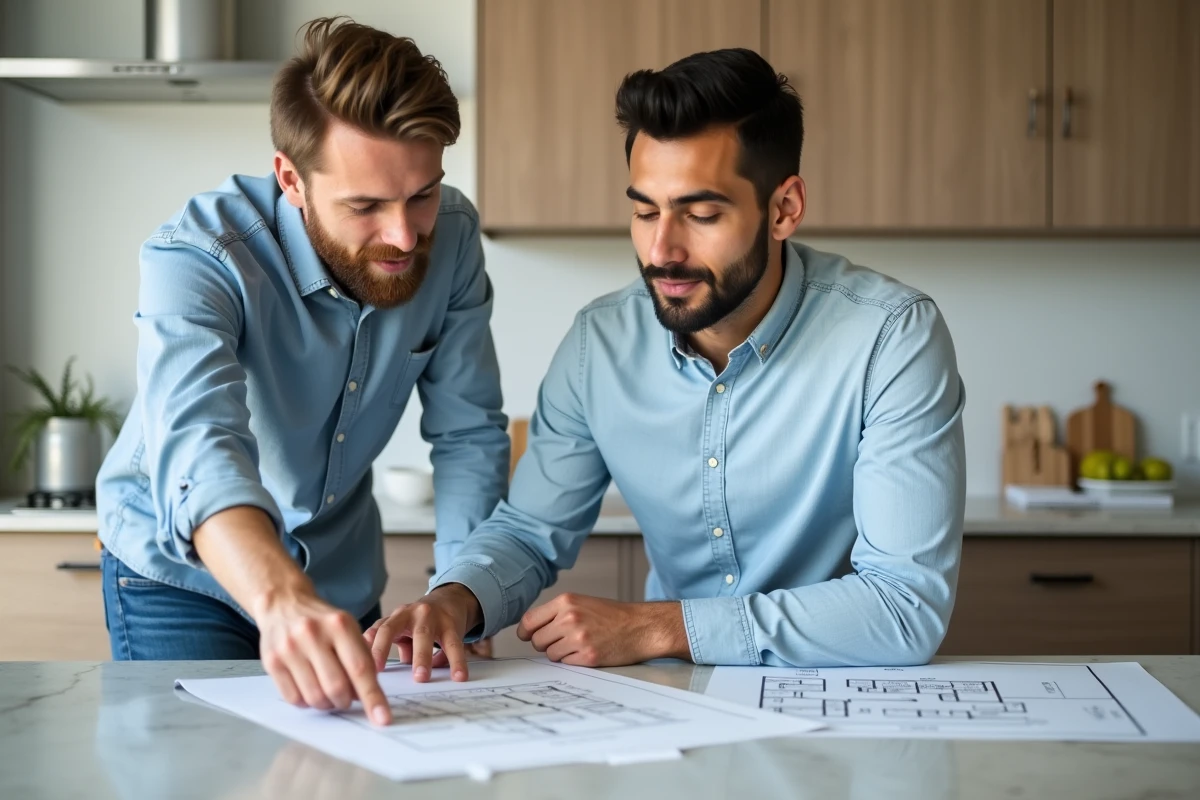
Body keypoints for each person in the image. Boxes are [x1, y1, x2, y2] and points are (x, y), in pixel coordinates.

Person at [368, 47, 967, 681]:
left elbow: (905, 607)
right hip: (677, 703)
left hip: (840, 689)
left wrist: (660, 625)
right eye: (644, 211)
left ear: (784, 209)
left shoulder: (891, 337)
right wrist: (454, 601)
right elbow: (530, 528)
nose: (662, 250)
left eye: (702, 214)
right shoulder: (600, 344)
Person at [96, 18, 508, 725]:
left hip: (340, 576)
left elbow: (469, 434)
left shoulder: (455, 239)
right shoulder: (197, 256)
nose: (405, 236)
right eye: (366, 206)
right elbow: (202, 444)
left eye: (422, 195)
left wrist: (461, 592)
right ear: (291, 177)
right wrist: (281, 598)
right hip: (183, 578)